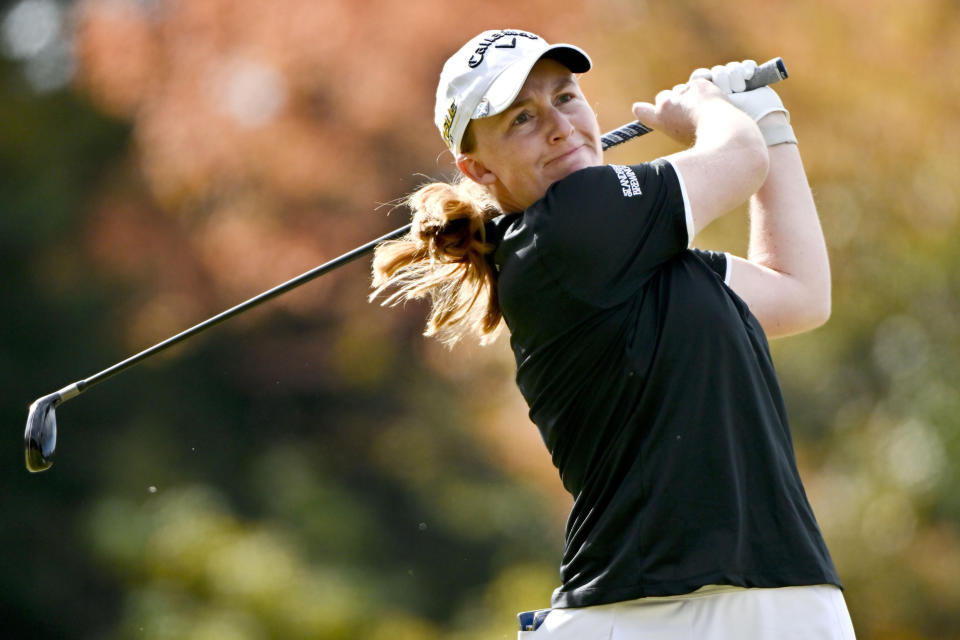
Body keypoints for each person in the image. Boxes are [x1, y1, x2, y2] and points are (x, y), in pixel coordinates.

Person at [371, 29, 856, 639]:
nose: (559, 125)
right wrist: (710, 108)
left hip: (765, 595)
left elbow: (798, 292)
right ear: (478, 168)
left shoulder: (625, 255)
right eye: (522, 117)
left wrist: (769, 121)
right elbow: (739, 162)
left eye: (566, 97)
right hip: (648, 614)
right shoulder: (572, 225)